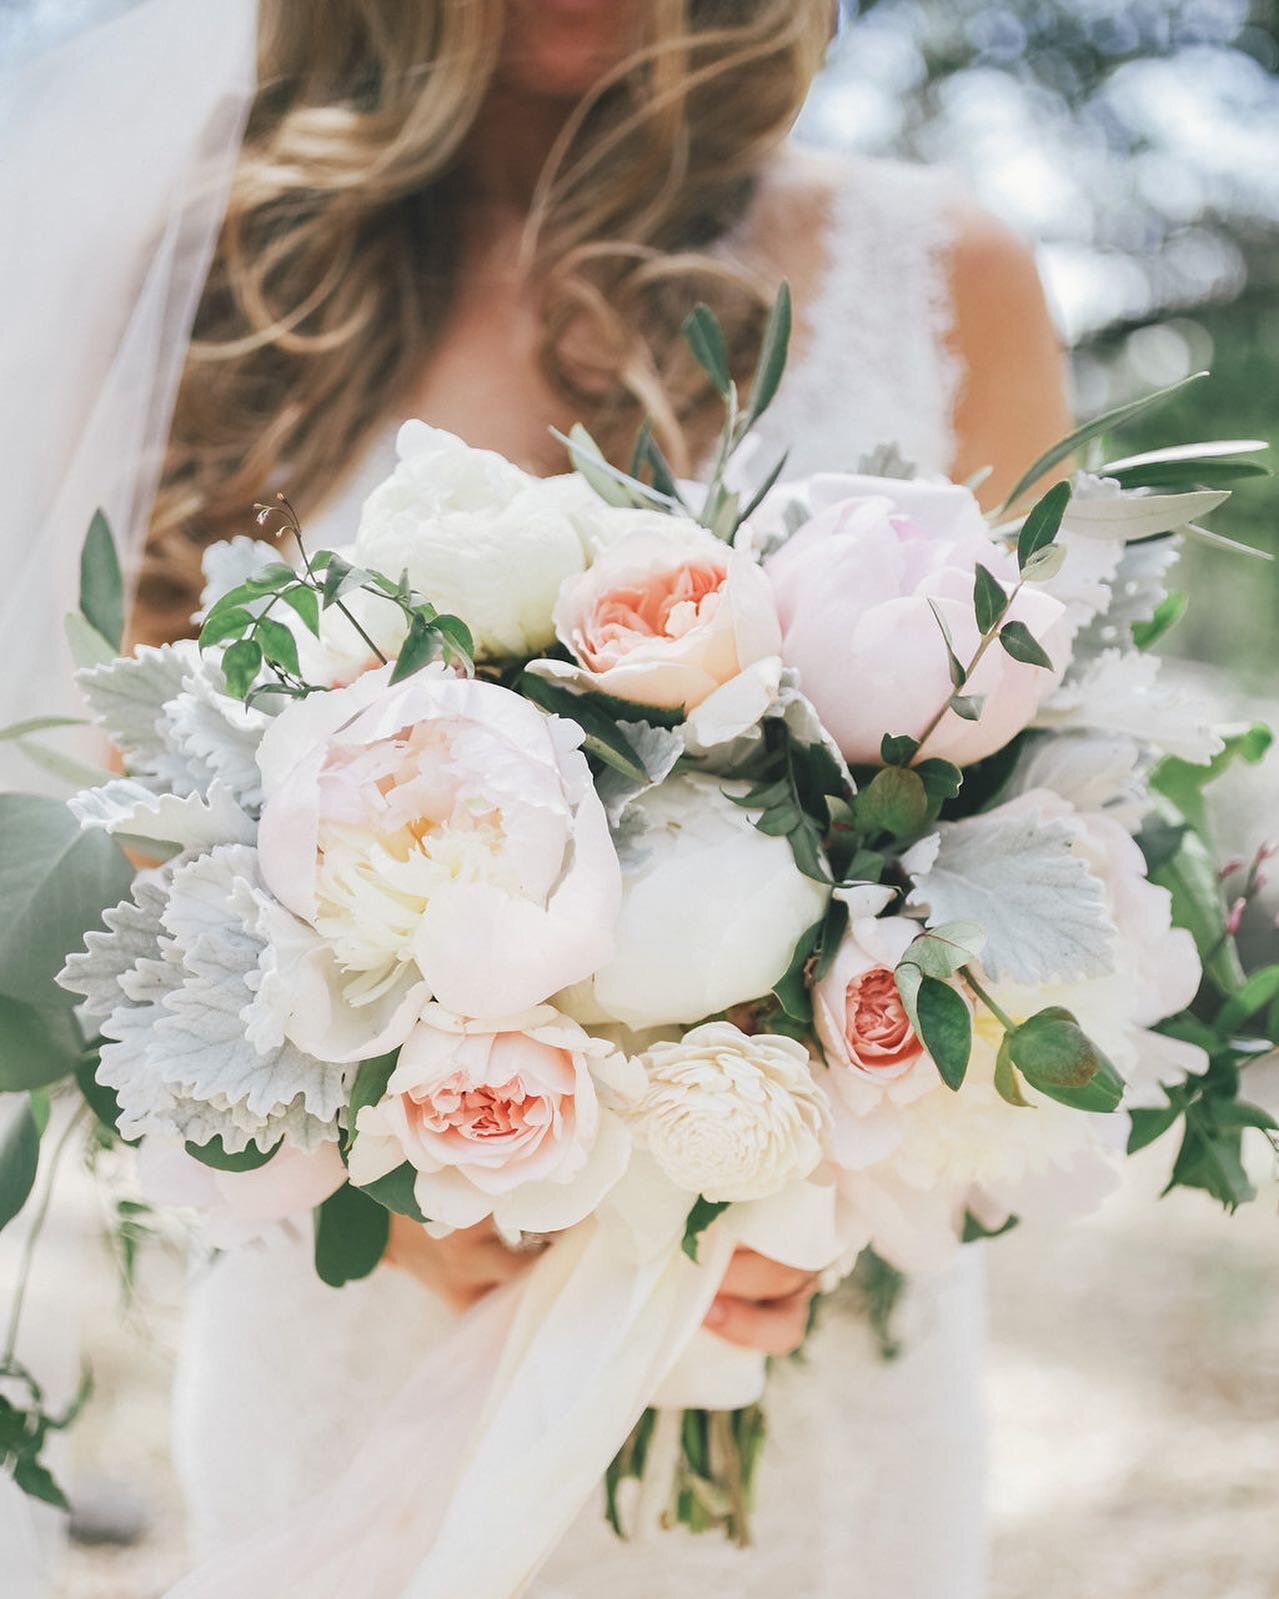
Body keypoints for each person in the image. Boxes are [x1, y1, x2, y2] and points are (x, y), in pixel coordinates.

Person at [137, 2, 1072, 1593]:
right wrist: (391, 1181)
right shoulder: (218, 282)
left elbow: (1050, 827)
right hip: (365, 1318)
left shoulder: (945, 273)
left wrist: (815, 1185)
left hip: (807, 1350)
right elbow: (106, 834)